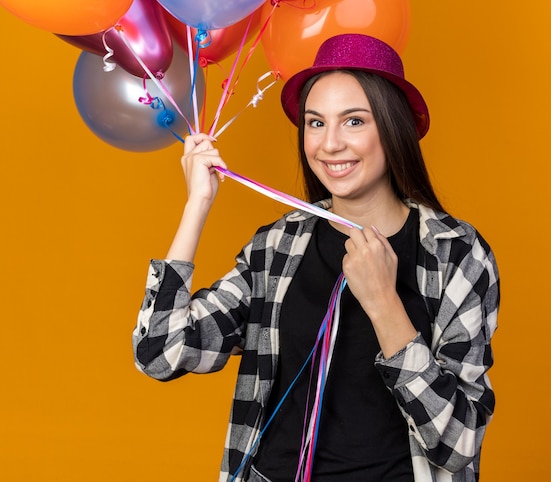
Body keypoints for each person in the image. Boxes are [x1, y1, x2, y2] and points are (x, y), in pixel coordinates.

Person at [132, 33, 500, 482]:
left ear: (393, 125)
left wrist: (384, 302)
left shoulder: (455, 253)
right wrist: (197, 206)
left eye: (354, 121)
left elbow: (458, 442)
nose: (329, 145)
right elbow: (160, 352)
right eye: (316, 122)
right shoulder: (277, 247)